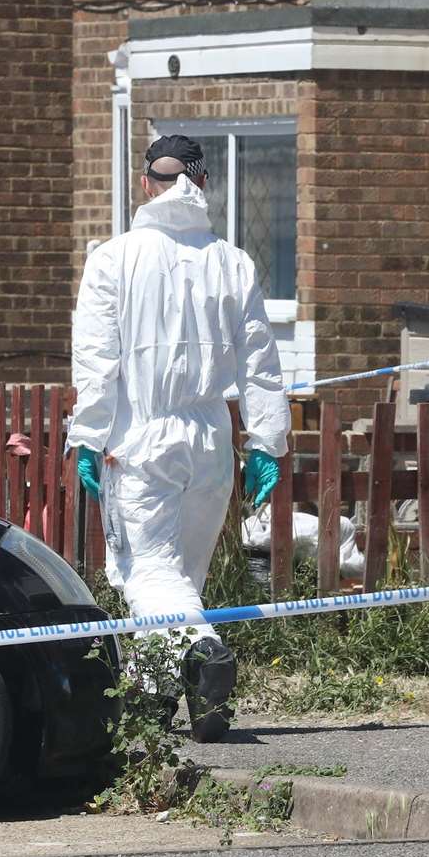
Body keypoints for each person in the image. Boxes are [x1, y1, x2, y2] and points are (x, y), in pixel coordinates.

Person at [69, 134, 291, 743]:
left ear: (145, 184)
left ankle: (204, 649)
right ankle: (156, 702)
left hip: (141, 437)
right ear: (204, 184)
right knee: (180, 581)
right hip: (211, 440)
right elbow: (260, 364)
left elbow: (96, 360)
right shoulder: (232, 261)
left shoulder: (112, 259)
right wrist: (266, 444)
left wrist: (87, 436)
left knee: (147, 572)